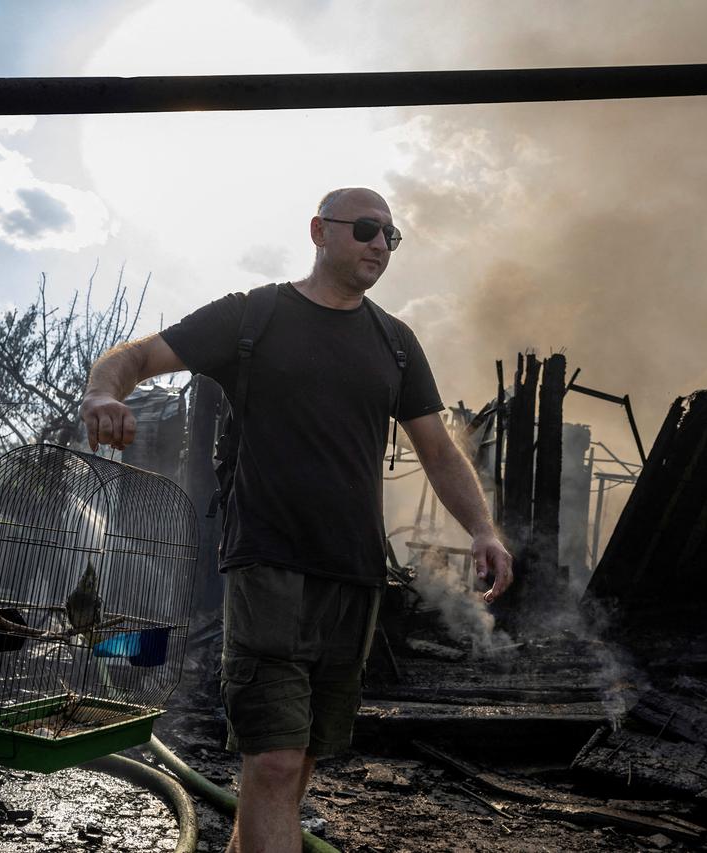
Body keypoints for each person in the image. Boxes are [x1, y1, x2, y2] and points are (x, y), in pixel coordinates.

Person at [80, 187, 513, 852]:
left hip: (355, 577)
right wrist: (104, 391)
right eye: (367, 229)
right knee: (276, 760)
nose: (380, 245)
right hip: (268, 565)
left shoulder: (395, 344)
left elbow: (437, 450)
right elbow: (135, 357)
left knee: (300, 760)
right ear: (319, 230)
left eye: (391, 237)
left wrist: (482, 527)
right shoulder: (250, 318)